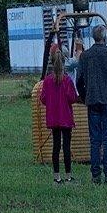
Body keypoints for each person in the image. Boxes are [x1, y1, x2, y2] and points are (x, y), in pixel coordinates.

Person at [72, 25, 107, 184]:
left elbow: (79, 80)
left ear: (94, 37)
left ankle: (95, 175)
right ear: (105, 37)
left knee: (95, 140)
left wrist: (84, 96)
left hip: (92, 100)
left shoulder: (85, 56)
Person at [38, 44, 77, 183]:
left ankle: (56, 177)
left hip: (53, 117)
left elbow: (43, 99)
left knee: (56, 147)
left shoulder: (48, 80)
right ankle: (68, 176)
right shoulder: (67, 80)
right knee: (66, 147)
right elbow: (72, 98)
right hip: (66, 117)